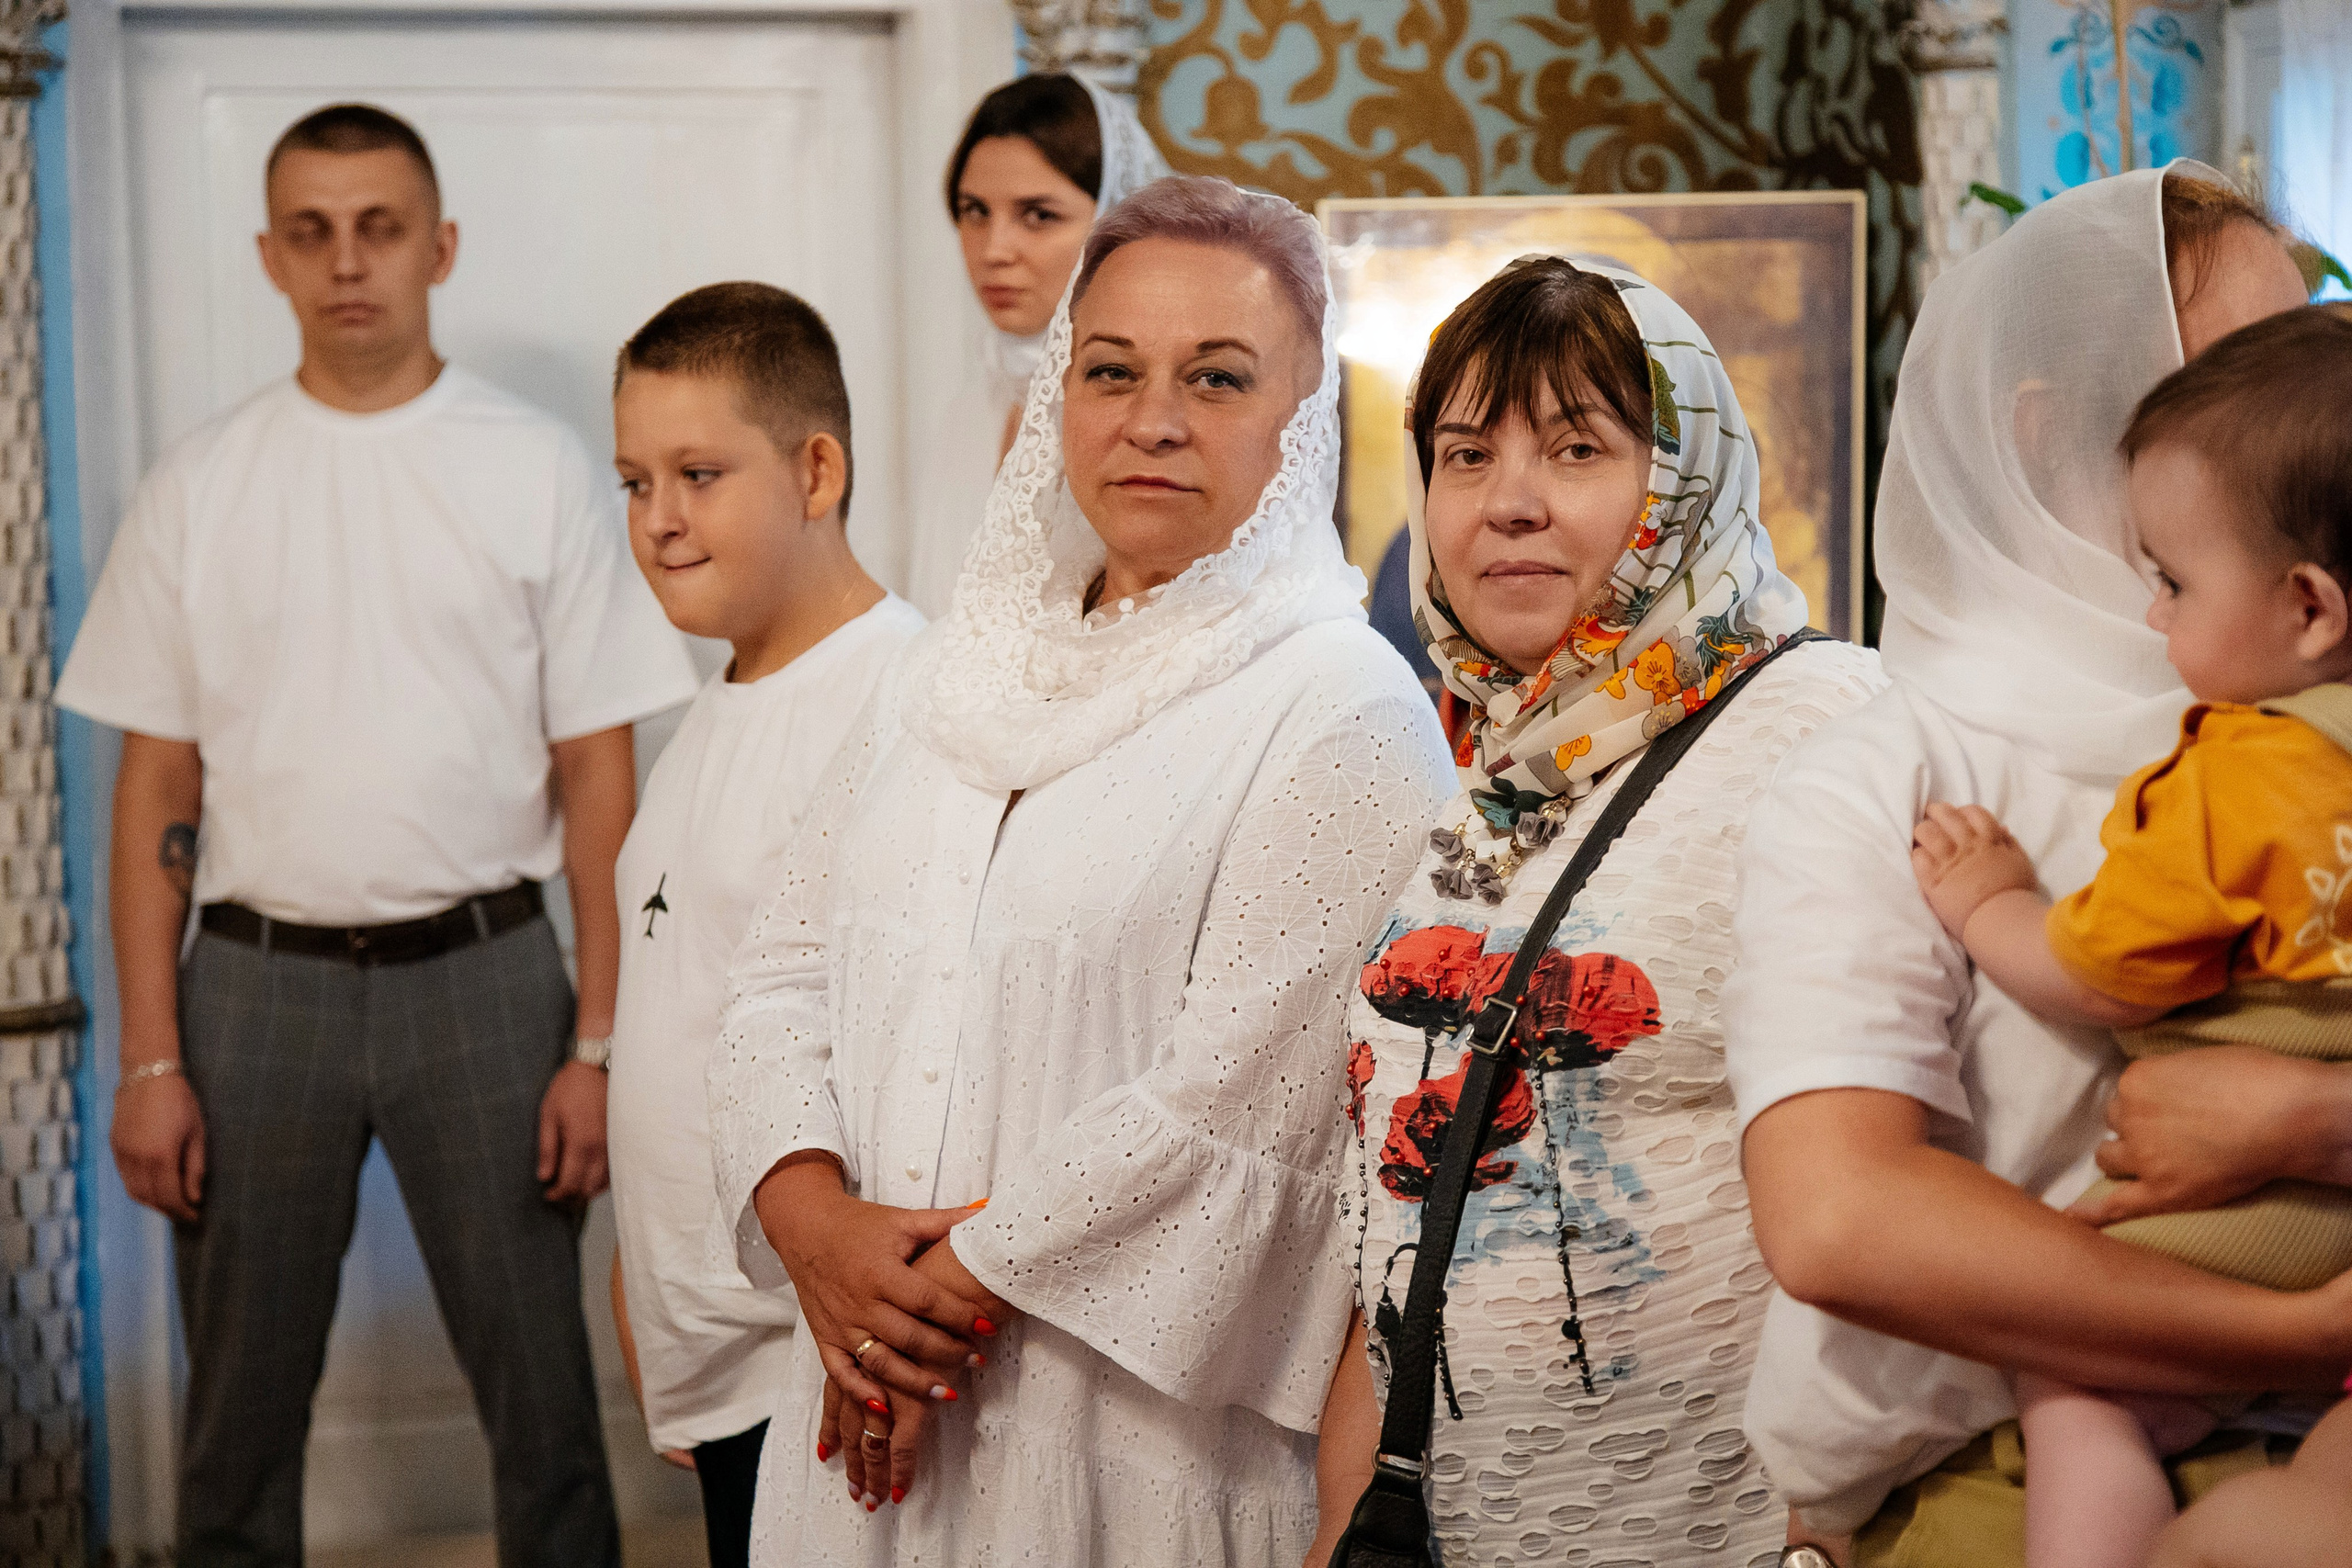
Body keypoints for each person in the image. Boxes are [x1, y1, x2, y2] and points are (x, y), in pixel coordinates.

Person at [707, 174, 1453, 1565]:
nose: (1154, 417)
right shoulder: (945, 672)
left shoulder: (1341, 705)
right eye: (1111, 370)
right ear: (1061, 393)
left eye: (1218, 377)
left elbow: (1240, 1095)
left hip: (1110, 1450)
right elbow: (780, 978)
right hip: (861, 1406)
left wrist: (925, 1298)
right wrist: (814, 1225)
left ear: (1303, 424)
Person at [57, 104, 696, 1566]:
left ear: (440, 246)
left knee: (542, 1399)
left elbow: (601, 776)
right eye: (313, 230)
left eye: (381, 226)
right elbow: (154, 789)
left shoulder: (532, 467)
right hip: (250, 986)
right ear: (271, 257)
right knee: (238, 1415)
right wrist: (149, 1058)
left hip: (485, 979)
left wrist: (601, 1045)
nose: (349, 260)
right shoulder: (200, 485)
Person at [1725, 165, 2352, 1568]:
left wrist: (2316, 1124)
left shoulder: (2309, 712)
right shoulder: (1889, 774)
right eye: (2235, 363)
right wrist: (2294, 1329)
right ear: (2052, 417)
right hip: (1996, 1489)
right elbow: (1842, 1218)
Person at [1304, 254, 1886, 1567]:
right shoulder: (1472, 790)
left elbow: (1916, 1165)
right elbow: (1388, 1232)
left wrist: (1824, 1538)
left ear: (1681, 477)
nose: (1507, 503)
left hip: (1717, 1531)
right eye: (1464, 456)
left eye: (1575, 447)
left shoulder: (1824, 725)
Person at [1907, 304, 2352, 1568]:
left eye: (2172, 580)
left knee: (2069, 1375)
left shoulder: (2243, 770)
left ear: (2309, 607)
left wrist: (1991, 897)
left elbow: (2100, 966)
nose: (2154, 615)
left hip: (2241, 1221)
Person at [605, 282, 926, 1568]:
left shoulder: (904, 697)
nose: (659, 520)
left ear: (817, 469)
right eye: (634, 480)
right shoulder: (710, 710)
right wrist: (646, 1283)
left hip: (817, 1354)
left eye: (697, 472)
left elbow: (910, 1052)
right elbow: (682, 1011)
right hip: (714, 1341)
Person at [909, 73, 1169, 612]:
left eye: (1039, 215)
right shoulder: (970, 407)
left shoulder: (1154, 417)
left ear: (1115, 220)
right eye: (974, 211)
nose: (994, 250)